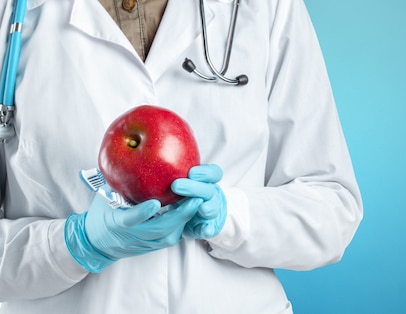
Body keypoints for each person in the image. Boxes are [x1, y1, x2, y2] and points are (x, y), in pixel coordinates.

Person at [0, 0, 363, 313]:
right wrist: (75, 243)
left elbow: (332, 208)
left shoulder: (262, 8)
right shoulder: (13, 14)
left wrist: (230, 216)